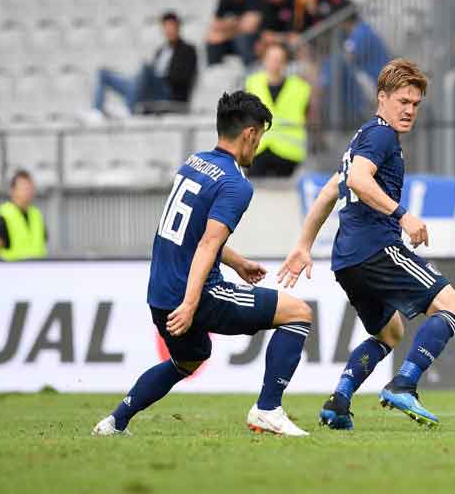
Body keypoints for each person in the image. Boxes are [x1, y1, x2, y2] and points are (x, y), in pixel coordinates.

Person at [92, 91, 314, 437]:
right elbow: (208, 243)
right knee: (298, 312)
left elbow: (193, 234)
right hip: (194, 293)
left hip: (160, 293)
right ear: (250, 134)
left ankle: (114, 422)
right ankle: (268, 409)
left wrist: (237, 262)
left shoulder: (194, 163)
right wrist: (192, 302)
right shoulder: (236, 184)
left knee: (190, 358)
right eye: (260, 137)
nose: (258, 147)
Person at [277, 58, 455, 430]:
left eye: (415, 104)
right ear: (382, 98)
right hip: (376, 248)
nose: (410, 110)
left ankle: (339, 402)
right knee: (452, 307)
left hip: (348, 260)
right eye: (403, 102)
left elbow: (331, 190)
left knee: (389, 333)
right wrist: (404, 215)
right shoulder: (381, 136)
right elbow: (359, 181)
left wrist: (303, 245)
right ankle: (405, 384)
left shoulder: (362, 139)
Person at [91, 12, 198, 117]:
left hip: (169, 92)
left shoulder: (188, 50)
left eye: (172, 26)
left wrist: (157, 77)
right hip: (150, 90)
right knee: (104, 74)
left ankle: (129, 107)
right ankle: (97, 112)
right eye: (166, 27)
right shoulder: (160, 51)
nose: (169, 30)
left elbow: (183, 78)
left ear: (178, 27)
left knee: (145, 69)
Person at [245, 43, 311, 178]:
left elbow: (308, 115)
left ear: (286, 63)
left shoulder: (301, 87)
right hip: (258, 150)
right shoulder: (251, 83)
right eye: (271, 59)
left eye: (279, 59)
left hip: (288, 153)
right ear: (264, 60)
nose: (275, 63)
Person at [206, 0, 263, 66]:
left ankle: (251, 69)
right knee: (212, 38)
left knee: (242, 37)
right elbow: (215, 24)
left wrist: (230, 25)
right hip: (234, 34)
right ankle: (215, 73)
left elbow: (250, 26)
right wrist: (236, 24)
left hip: (257, 36)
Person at [0, 170, 47, 261]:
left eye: (30, 188)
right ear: (13, 191)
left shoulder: (36, 214)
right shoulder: (5, 216)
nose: (28, 192)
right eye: (24, 188)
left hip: (38, 271)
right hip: (13, 271)